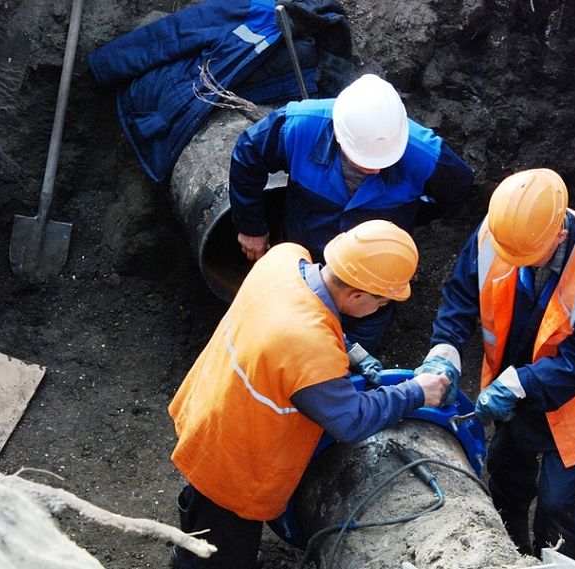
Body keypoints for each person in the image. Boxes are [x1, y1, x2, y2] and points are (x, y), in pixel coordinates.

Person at [168, 219, 449, 569]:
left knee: (200, 511)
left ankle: (185, 549)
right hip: (238, 466)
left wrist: (352, 352)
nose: (381, 309)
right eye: (382, 301)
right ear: (358, 294)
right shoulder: (310, 347)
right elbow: (351, 419)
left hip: (210, 414)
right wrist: (415, 393)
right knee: (222, 551)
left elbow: (300, 317)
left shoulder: (284, 259)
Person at [415, 168, 575, 562]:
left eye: (527, 259)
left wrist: (521, 383)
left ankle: (560, 557)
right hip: (514, 380)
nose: (514, 263)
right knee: (505, 474)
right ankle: (509, 548)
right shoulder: (502, 231)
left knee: (555, 503)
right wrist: (445, 348)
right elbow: (461, 294)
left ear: (560, 237)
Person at [228, 73, 474, 355]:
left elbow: (458, 190)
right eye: (366, 161)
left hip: (373, 280)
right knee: (289, 329)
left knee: (359, 339)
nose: (376, 169)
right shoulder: (300, 126)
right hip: (304, 252)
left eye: (385, 160)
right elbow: (248, 153)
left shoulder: (425, 154)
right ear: (339, 135)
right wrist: (251, 227)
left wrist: (411, 217)